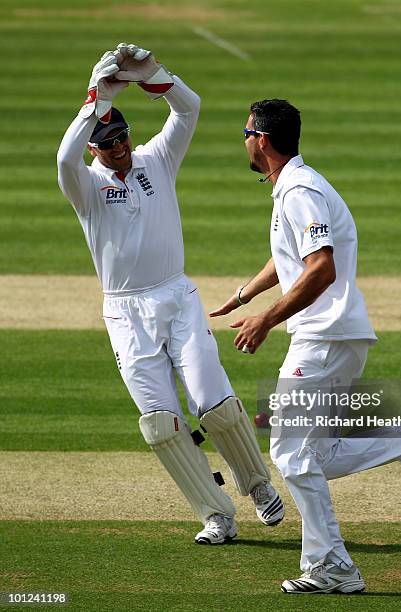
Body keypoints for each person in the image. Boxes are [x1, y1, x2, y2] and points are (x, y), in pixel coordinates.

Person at [210, 99, 401, 592]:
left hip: (323, 337)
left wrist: (266, 319)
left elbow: (321, 267)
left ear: (262, 140)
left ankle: (332, 568)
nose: (242, 140)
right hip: (332, 336)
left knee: (292, 456)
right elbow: (289, 255)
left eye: (245, 132)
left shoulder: (301, 190)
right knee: (316, 455)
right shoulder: (291, 188)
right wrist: (246, 293)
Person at [56, 44, 284, 545]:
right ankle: (215, 514)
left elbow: (190, 108)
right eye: (105, 140)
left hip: (177, 298)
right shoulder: (86, 187)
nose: (117, 145)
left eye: (120, 134)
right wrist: (93, 100)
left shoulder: (156, 159)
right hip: (125, 311)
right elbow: (62, 157)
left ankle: (259, 484)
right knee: (160, 424)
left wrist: (153, 76)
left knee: (214, 403)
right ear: (94, 146)